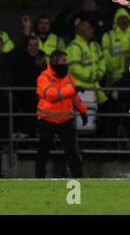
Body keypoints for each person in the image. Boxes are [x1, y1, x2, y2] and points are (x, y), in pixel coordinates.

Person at [35, 50, 87, 178]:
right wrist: (72, 90)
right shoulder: (44, 77)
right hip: (47, 120)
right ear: (54, 61)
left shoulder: (69, 78)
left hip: (66, 120)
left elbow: (75, 98)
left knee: (72, 152)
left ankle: (78, 178)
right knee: (43, 153)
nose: (66, 63)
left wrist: (83, 110)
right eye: (64, 61)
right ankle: (38, 180)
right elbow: (51, 95)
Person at [66, 20, 107, 106]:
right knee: (85, 117)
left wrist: (99, 74)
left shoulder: (94, 45)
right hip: (80, 89)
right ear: (82, 31)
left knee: (91, 115)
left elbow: (102, 61)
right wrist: (91, 76)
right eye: (89, 28)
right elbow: (74, 68)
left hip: (93, 87)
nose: (92, 30)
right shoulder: (74, 46)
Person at [12, 36, 47, 138]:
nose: (33, 47)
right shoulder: (21, 58)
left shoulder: (41, 59)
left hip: (38, 95)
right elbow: (19, 77)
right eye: (30, 45)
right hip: (24, 95)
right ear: (26, 46)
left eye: (35, 45)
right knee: (26, 120)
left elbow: (44, 76)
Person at [102, 8, 130, 87]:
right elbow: (105, 57)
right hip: (114, 76)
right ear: (116, 20)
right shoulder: (108, 36)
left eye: (126, 18)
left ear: (129, 20)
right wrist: (114, 71)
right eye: (121, 19)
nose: (123, 21)